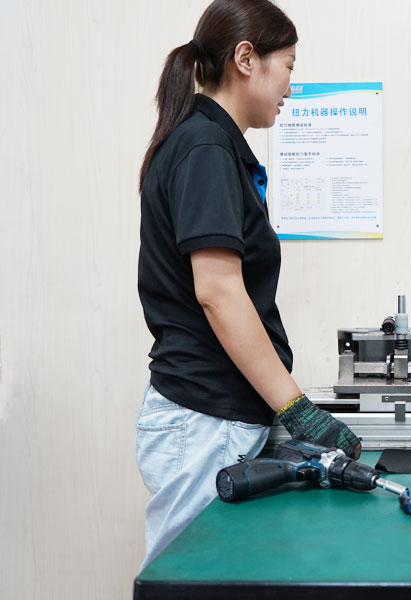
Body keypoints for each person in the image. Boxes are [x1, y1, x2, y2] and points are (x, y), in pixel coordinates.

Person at [136, 0, 360, 571]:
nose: (291, 85)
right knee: (195, 580)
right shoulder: (206, 147)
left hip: (209, 417)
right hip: (203, 418)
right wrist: (297, 409)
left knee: (222, 577)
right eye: (288, 66)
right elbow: (218, 292)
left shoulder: (209, 145)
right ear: (245, 59)